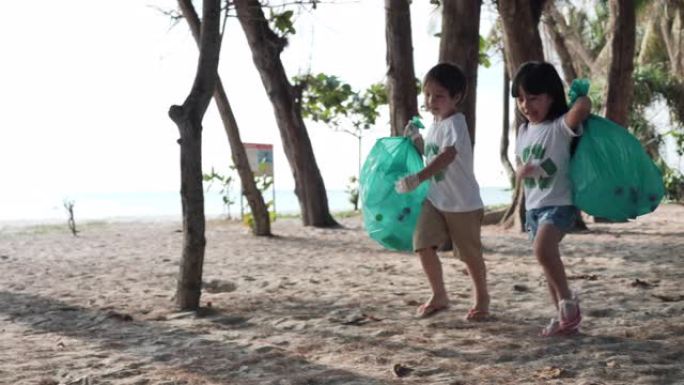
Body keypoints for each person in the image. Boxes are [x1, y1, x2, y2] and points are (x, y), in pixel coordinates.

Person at [395, 62, 490, 321]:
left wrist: (418, 178)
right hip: (435, 199)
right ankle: (439, 295)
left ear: (456, 97)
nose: (431, 100)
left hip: (463, 203)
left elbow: (447, 156)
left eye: (439, 95)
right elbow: (431, 154)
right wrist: (416, 140)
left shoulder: (456, 122)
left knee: (470, 256)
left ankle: (482, 299)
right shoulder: (435, 124)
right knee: (422, 244)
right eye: (427, 94)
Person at [511, 61, 591, 336]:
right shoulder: (522, 132)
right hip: (533, 208)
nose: (525, 104)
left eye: (533, 97)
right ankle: (564, 319)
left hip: (560, 204)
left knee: (543, 251)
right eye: (520, 98)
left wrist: (579, 93)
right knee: (547, 266)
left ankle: (569, 303)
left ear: (551, 96)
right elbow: (520, 164)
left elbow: (582, 109)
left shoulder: (559, 126)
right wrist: (521, 171)